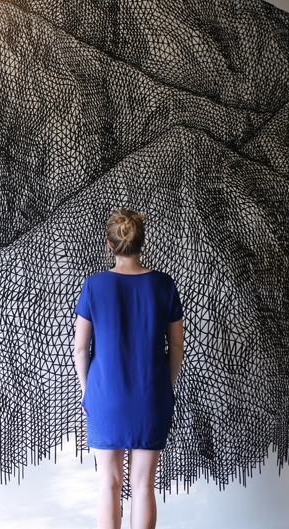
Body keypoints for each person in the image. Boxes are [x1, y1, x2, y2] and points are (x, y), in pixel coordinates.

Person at [73, 208, 184, 529]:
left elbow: (80, 348)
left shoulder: (93, 285)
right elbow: (177, 346)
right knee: (143, 485)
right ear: (142, 242)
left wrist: (88, 392)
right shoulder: (163, 284)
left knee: (108, 485)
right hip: (151, 396)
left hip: (105, 397)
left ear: (109, 244)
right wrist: (166, 386)